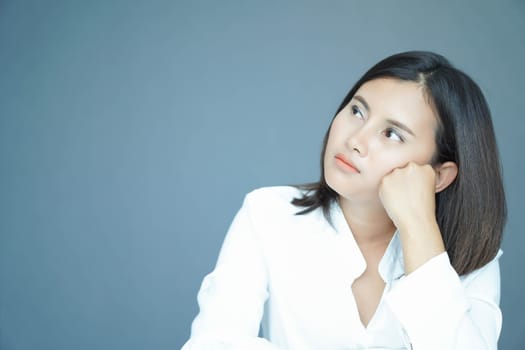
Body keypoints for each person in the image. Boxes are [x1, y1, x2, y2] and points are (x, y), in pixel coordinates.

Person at [181, 51, 506, 350]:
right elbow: (213, 342)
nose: (355, 140)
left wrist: (419, 228)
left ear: (438, 175)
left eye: (392, 133)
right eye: (357, 110)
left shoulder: (471, 254)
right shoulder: (267, 213)